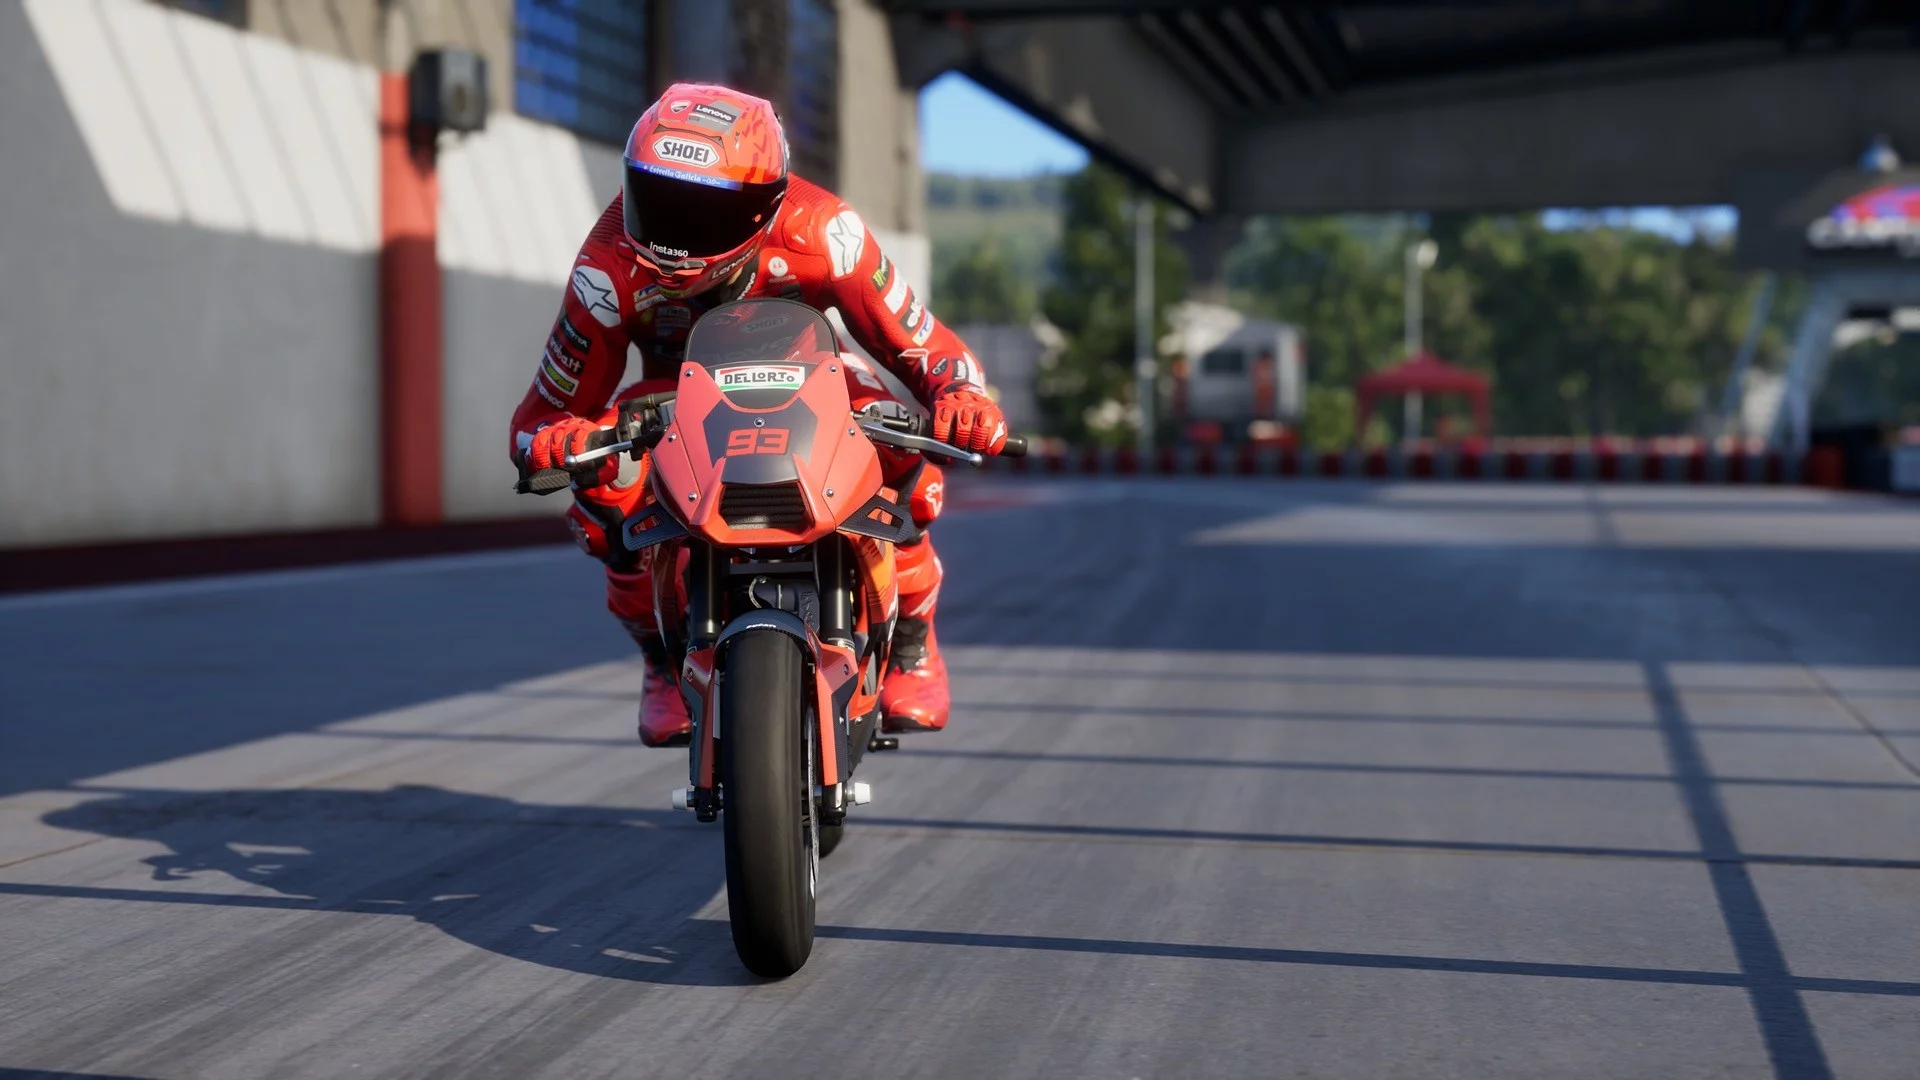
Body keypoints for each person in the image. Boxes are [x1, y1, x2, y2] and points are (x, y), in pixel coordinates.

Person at [509, 82, 1008, 746]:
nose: (674, 238)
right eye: (656, 200)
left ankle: (914, 645)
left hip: (820, 382)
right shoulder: (606, 267)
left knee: (903, 442)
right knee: (601, 487)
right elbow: (542, 415)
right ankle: (660, 663)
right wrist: (556, 441)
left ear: (767, 203)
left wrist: (964, 399)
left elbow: (925, 345)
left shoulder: (826, 231)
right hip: (673, 400)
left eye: (705, 212)